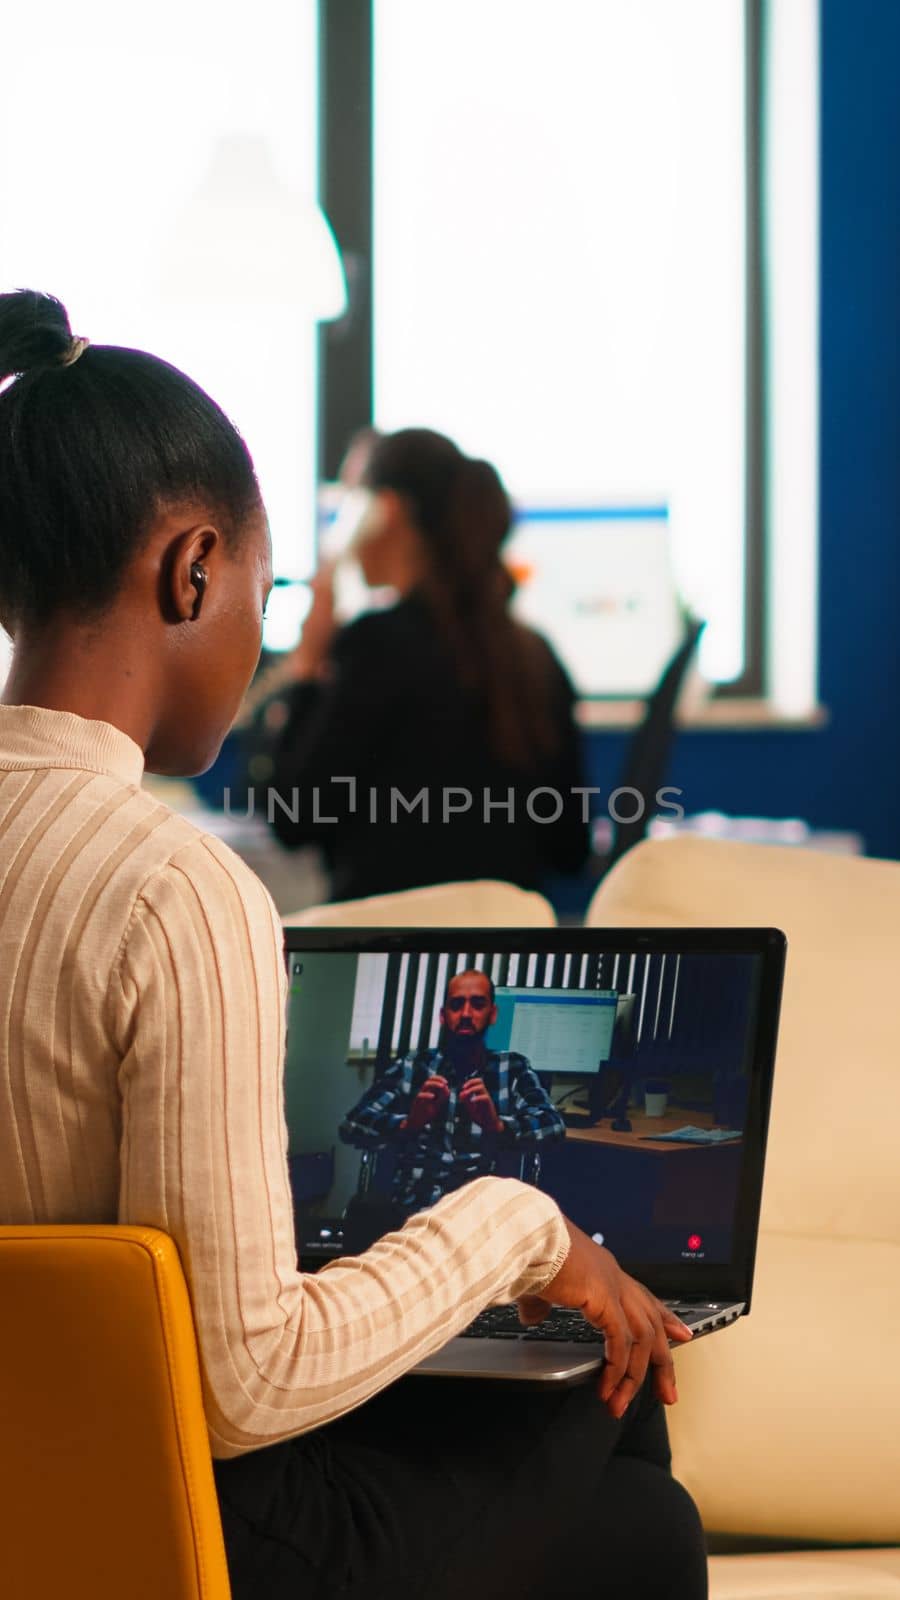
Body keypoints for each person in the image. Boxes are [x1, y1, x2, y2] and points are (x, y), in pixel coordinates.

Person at [0, 290, 706, 1600]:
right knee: (618, 1425)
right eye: (263, 600)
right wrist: (525, 1226)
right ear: (190, 568)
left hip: (24, 1491)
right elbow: (243, 1383)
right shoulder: (174, 892)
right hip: (196, 1525)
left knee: (639, 1530)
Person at [243, 427, 592, 901]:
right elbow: (570, 849)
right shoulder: (534, 656)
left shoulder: (375, 644)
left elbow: (294, 819)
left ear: (384, 511)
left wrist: (306, 671)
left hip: (389, 961)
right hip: (507, 962)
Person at [340, 968, 565, 1213]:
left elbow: (553, 1127)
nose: (466, 1014)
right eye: (456, 1005)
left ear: (493, 1014)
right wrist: (410, 1123)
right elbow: (352, 1125)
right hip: (413, 1211)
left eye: (478, 1004)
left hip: (479, 1214)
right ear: (443, 1016)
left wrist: (497, 1126)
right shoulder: (414, 1067)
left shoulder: (511, 1069)